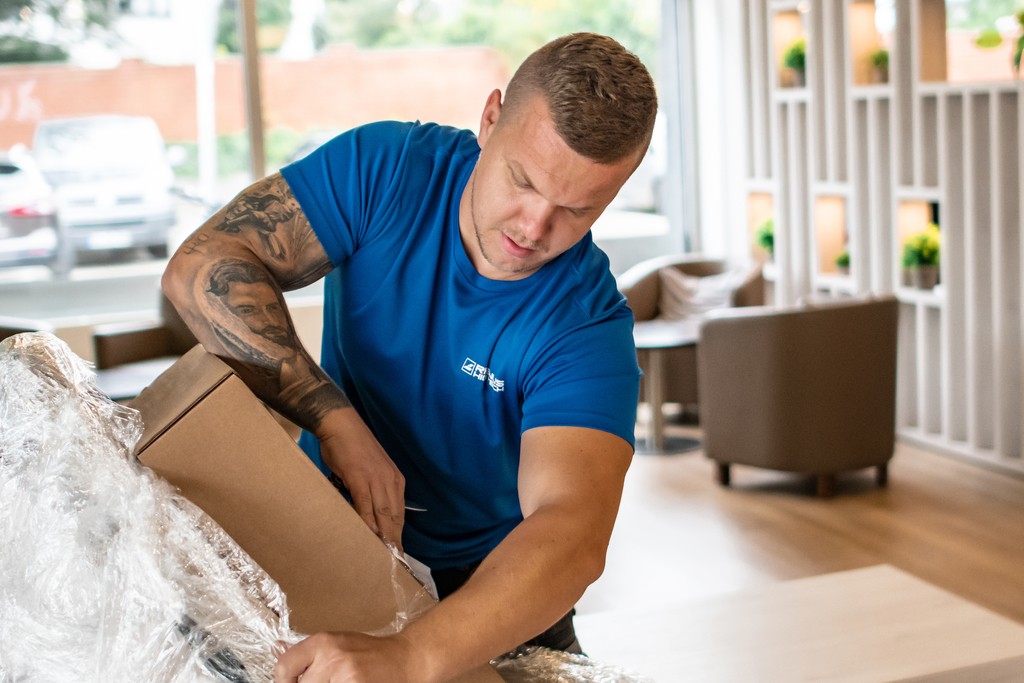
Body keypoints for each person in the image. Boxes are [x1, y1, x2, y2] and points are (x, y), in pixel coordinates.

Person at [162, 31, 657, 683]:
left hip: (489, 593)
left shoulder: (586, 325)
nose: (533, 227)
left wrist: (413, 654)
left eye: (576, 209)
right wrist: (335, 421)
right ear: (489, 120)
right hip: (328, 539)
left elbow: (572, 530)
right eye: (522, 180)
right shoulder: (389, 169)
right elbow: (201, 268)